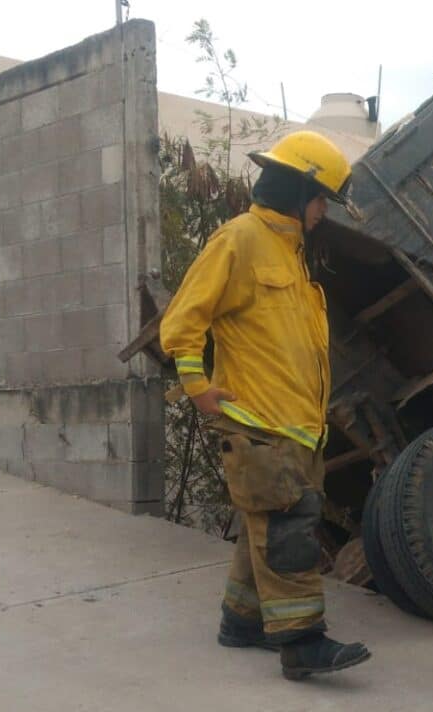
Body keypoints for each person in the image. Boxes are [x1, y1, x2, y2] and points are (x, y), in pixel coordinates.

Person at [160, 130, 371, 681]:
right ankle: (303, 644)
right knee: (288, 531)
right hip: (262, 422)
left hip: (298, 428)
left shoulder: (289, 251)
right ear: (300, 192)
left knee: (269, 521)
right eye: (324, 200)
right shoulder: (240, 240)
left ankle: (242, 620)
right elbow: (183, 323)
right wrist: (197, 388)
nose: (326, 213)